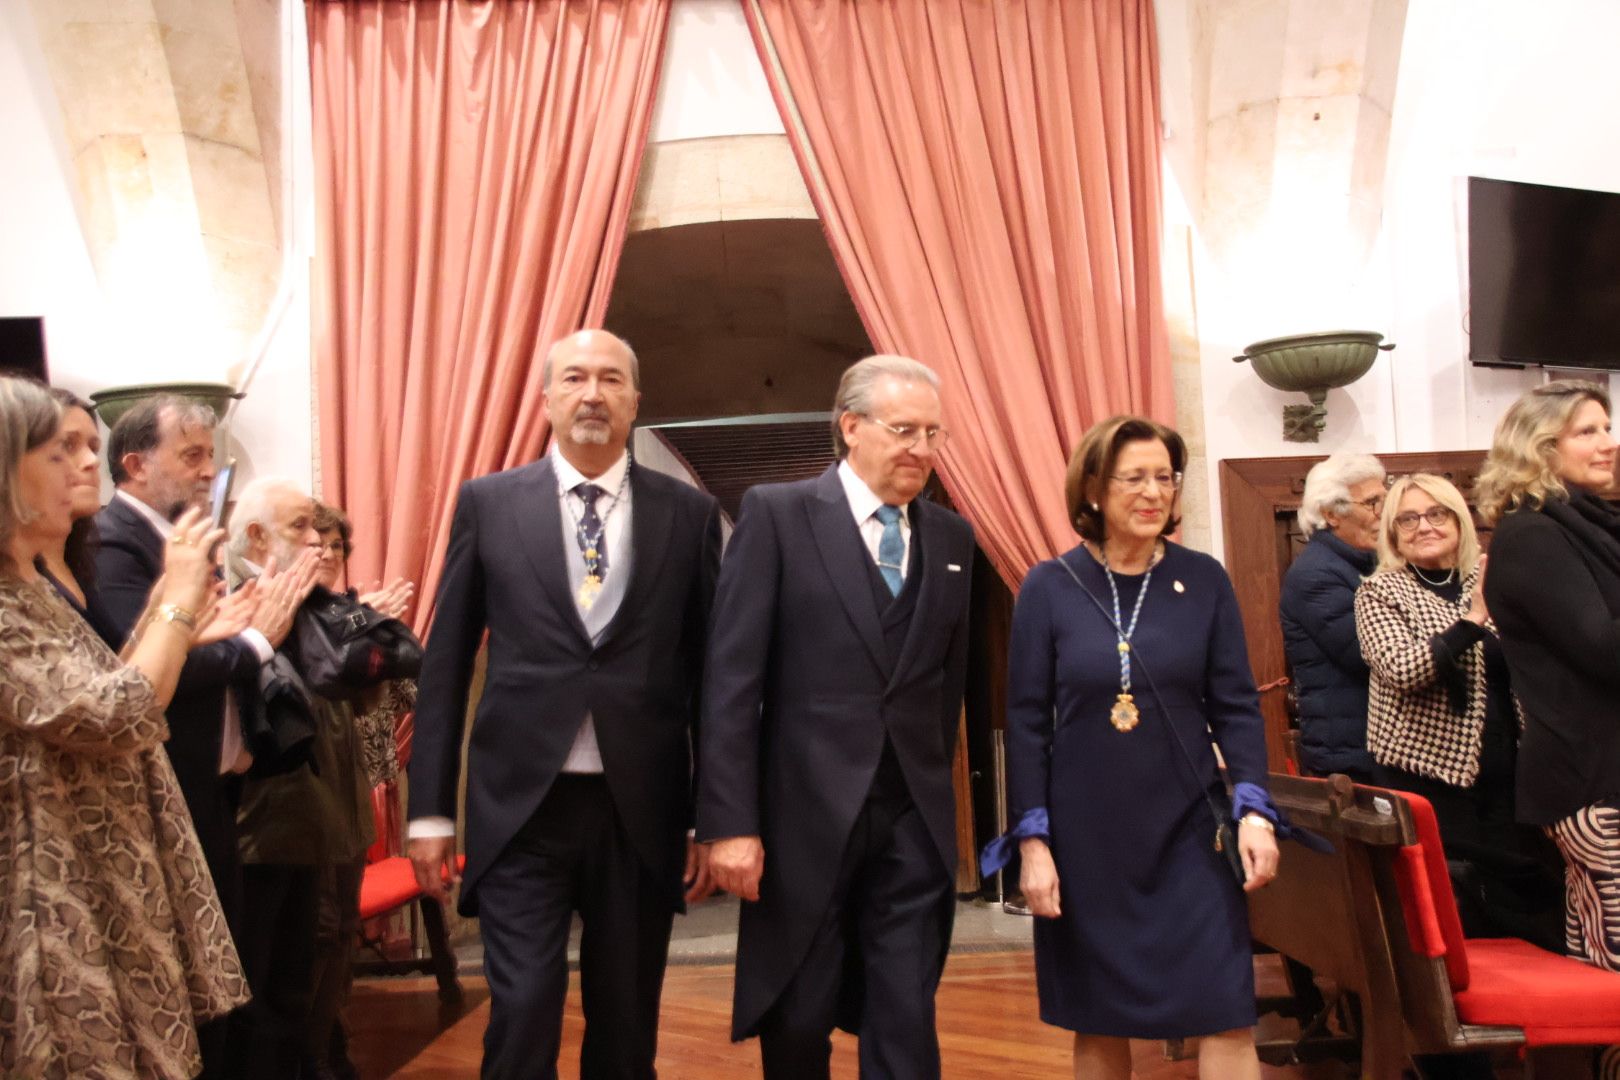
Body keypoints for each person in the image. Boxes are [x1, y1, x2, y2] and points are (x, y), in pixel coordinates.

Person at [408, 329, 722, 1079]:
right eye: (575, 378)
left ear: (636, 401)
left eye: (611, 379)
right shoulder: (488, 504)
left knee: (625, 1023)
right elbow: (445, 663)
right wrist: (428, 813)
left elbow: (713, 677)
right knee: (522, 1012)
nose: (592, 393)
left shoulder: (688, 514)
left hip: (639, 809)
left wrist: (713, 814)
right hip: (520, 808)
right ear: (546, 398)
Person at [698, 354, 975, 1079]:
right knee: (798, 1013)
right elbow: (731, 681)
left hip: (911, 815)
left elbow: (945, 686)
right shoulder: (778, 515)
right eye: (903, 428)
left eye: (932, 433)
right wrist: (729, 822)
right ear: (851, 427)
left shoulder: (951, 541)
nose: (920, 447)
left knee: (908, 1010)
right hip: (802, 819)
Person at [988, 415, 1278, 1080]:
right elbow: (1028, 721)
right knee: (1099, 1013)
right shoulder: (1049, 585)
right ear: (1093, 488)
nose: (1154, 493)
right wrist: (1032, 844)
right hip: (1087, 837)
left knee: (1224, 1003)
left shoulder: (1204, 579)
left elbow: (1236, 706)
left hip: (1191, 829)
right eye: (1135, 478)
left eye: (1166, 479)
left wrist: (1256, 812)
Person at [0, 375, 251, 1078]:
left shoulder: (32, 589)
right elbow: (115, 715)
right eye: (61, 450)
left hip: (111, 873)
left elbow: (108, 679)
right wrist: (175, 599)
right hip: (61, 892)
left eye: (89, 445)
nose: (89, 464)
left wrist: (175, 617)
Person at [95, 395, 319, 1077]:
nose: (209, 469)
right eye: (191, 454)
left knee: (228, 974)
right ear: (136, 463)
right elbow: (155, 671)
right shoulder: (114, 542)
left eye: (209, 453)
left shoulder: (177, 540)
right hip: (168, 788)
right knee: (197, 984)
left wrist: (243, 632)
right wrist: (253, 641)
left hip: (215, 789)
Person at [1355, 473, 1560, 947]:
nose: (1423, 526)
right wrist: (1472, 619)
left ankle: (1520, 1009)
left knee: (1523, 894)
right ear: (1392, 532)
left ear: (1459, 520)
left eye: (1436, 513)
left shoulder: (1487, 577)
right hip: (1427, 778)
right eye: (1408, 518)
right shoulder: (1381, 592)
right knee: (1455, 907)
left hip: (1509, 773)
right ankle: (1458, 1011)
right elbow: (1403, 668)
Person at [1479, 380, 1620, 977]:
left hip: (1601, 775)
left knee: (1601, 969)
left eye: (1607, 428)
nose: (1608, 443)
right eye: (1587, 431)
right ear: (1538, 449)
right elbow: (1603, 649)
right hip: (1593, 783)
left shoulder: (1590, 525)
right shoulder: (1534, 535)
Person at [304, 499, 416, 1080]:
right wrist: (361, 627)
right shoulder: (286, 615)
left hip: (348, 806)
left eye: (336, 546)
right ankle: (316, 1057)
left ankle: (331, 1049)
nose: (326, 554)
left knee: (340, 934)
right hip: (303, 813)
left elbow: (375, 702)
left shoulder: (343, 617)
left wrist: (370, 628)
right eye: (313, 542)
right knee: (317, 940)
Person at [1280, 452, 1385, 780]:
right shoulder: (1315, 574)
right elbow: (1369, 656)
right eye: (1371, 503)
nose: (1384, 513)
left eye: (1384, 499)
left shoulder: (1364, 563)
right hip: (1353, 759)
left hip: (1372, 748)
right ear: (1331, 514)